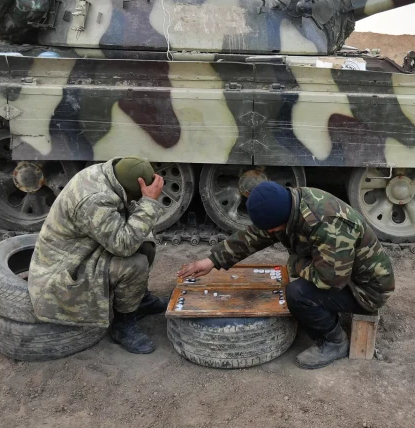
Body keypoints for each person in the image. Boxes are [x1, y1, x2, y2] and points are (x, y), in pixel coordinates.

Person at [179, 182, 395, 369]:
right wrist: (212, 261)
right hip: (346, 273)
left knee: (297, 293)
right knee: (299, 283)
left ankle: (334, 342)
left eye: (274, 230)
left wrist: (295, 263)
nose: (272, 233)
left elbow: (330, 280)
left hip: (365, 290)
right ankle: (327, 316)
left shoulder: (327, 224)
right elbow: (256, 235)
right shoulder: (290, 202)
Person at [28, 157, 168, 354]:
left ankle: (139, 299)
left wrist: (144, 205)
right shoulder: (95, 200)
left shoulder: (108, 173)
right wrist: (149, 204)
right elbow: (124, 246)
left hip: (84, 246)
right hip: (63, 269)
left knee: (144, 240)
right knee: (134, 263)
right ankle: (123, 325)